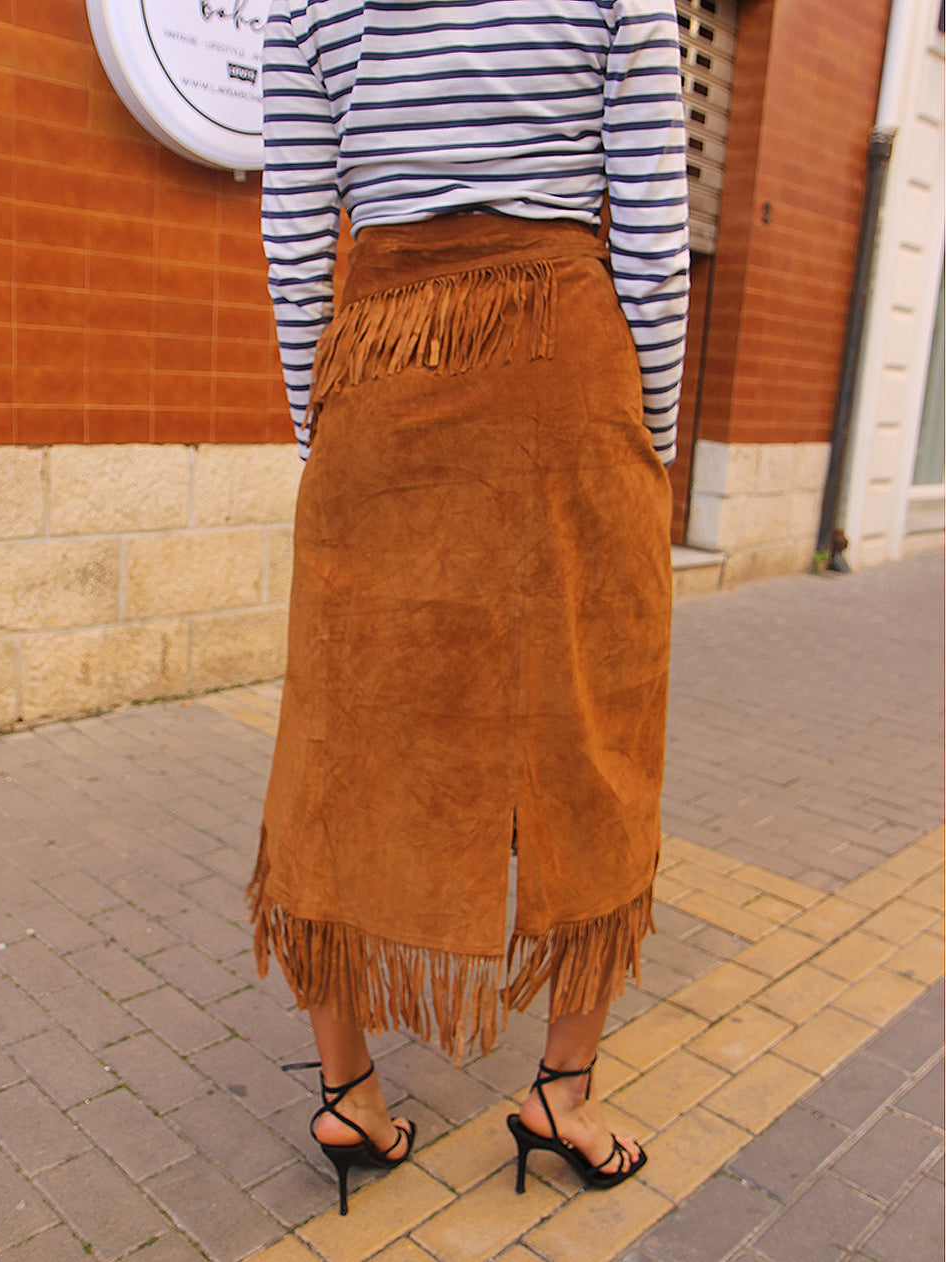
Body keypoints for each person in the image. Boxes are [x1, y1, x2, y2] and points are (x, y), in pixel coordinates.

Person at [249, 0, 689, 1216]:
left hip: (377, 363)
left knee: (339, 725)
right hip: (568, 362)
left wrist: (319, 426)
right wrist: (641, 438)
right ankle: (561, 1088)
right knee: (591, 723)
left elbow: (294, 228)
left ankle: (348, 1088)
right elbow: (651, 226)